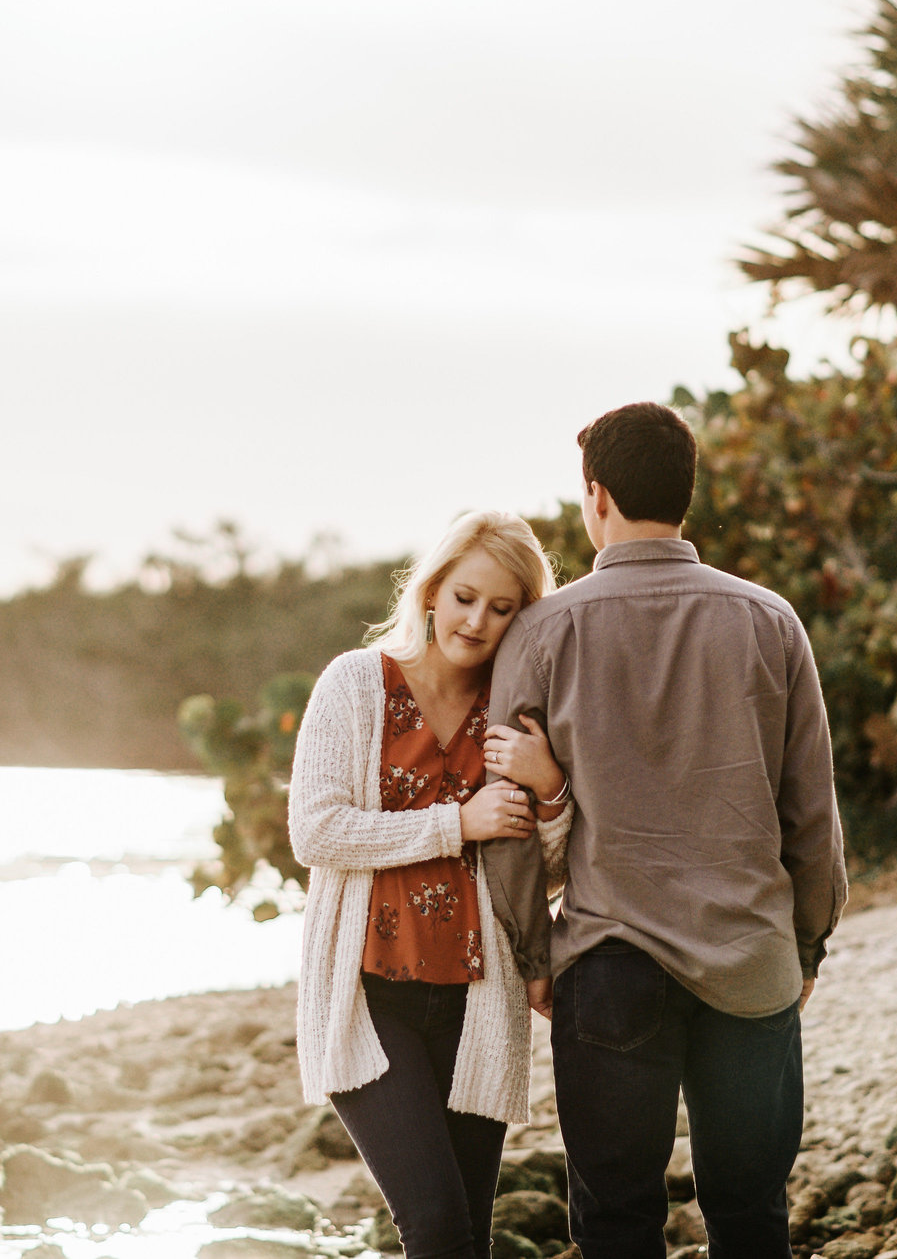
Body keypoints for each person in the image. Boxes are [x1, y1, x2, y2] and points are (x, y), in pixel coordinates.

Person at [485, 402, 847, 1259]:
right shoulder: (770, 621)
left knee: (615, 1224)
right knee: (753, 1215)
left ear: (596, 494)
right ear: (686, 493)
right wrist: (808, 943)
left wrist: (536, 957)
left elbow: (506, 827)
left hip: (609, 962)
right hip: (753, 958)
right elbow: (812, 813)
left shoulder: (541, 632)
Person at [288, 509, 574, 1259]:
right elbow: (315, 830)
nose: (477, 621)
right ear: (431, 591)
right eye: (465, 597)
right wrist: (457, 822)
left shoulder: (512, 716)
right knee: (437, 1226)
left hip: (477, 1000)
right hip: (369, 996)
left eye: (502, 606)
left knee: (466, 1239)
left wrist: (549, 791)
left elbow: (544, 869)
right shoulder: (357, 684)